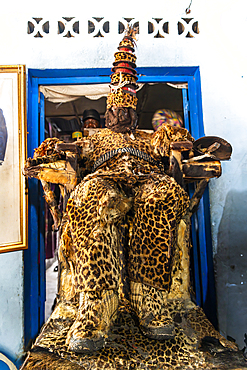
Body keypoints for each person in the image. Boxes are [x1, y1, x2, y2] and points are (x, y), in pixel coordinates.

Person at [24, 26, 226, 354]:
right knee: (91, 197)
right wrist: (50, 149)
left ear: (134, 105)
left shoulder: (152, 135)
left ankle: (149, 297)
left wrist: (179, 141)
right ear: (108, 107)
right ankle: (96, 304)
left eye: (128, 103)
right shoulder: (92, 138)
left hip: (146, 181)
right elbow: (57, 152)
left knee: (165, 194)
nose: (122, 111)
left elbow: (176, 144)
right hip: (106, 181)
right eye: (116, 105)